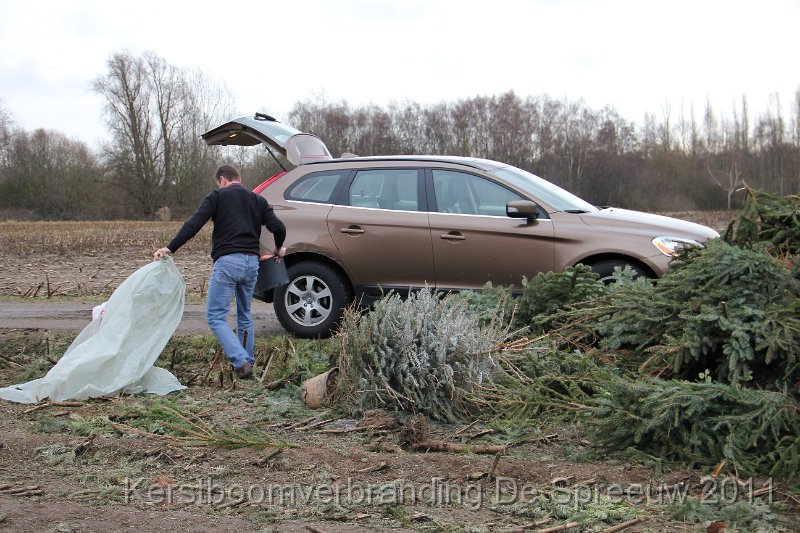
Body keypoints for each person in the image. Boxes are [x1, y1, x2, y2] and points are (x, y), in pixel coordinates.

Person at [154, 164, 286, 379]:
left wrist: (170, 247)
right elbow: (279, 228)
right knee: (244, 315)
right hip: (252, 263)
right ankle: (248, 360)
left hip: (227, 263)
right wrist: (279, 249)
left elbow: (194, 224)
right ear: (238, 179)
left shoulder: (217, 196)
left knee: (215, 317)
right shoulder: (257, 200)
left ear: (222, 179)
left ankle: (240, 360)